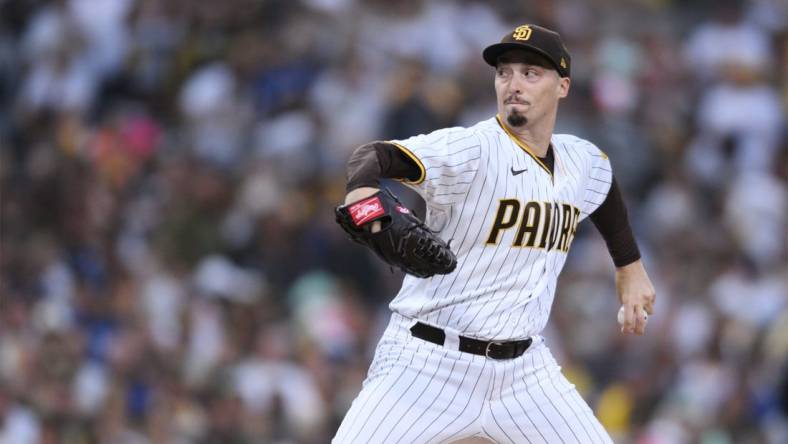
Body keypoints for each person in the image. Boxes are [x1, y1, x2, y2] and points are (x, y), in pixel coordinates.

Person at [333, 24, 656, 443]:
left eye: (530, 73)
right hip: (427, 365)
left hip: (525, 375)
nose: (513, 84)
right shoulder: (472, 148)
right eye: (504, 72)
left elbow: (605, 188)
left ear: (563, 86)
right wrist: (364, 199)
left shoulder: (581, 158)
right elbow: (372, 156)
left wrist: (629, 267)